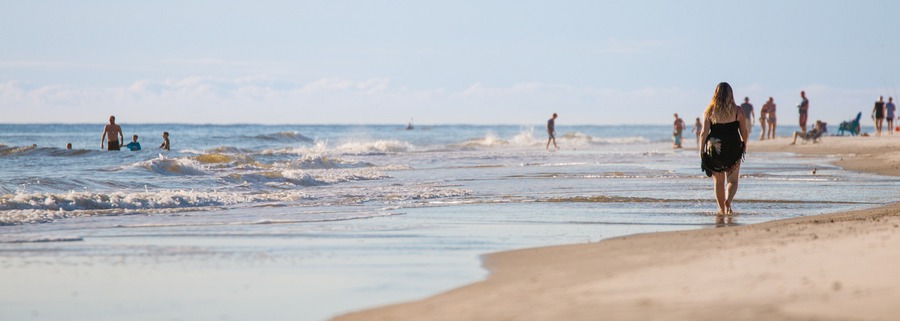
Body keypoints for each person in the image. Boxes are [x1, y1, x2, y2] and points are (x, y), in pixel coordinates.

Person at [699, 82, 748, 216]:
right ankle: (728, 202)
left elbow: (704, 132)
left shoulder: (710, 111)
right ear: (730, 94)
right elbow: (744, 130)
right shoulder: (738, 111)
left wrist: (701, 150)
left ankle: (721, 209)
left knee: (718, 182)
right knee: (733, 180)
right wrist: (745, 144)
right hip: (733, 146)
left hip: (715, 148)